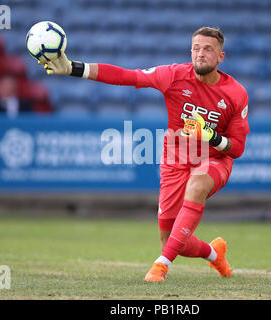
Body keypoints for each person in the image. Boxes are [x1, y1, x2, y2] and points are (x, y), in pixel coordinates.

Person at [41, 26, 250, 282]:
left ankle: (160, 267)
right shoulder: (173, 75)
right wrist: (73, 67)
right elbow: (125, 76)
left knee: (196, 185)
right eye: (196, 48)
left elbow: (237, 148)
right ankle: (214, 255)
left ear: (221, 57)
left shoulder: (235, 93)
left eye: (208, 49)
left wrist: (211, 136)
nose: (200, 54)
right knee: (174, 241)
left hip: (214, 160)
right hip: (175, 160)